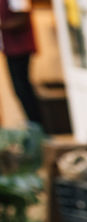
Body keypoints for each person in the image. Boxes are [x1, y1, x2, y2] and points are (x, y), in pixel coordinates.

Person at [0, 0, 41, 128]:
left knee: (22, 88)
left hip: (20, 49)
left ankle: (37, 124)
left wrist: (2, 26)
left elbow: (22, 19)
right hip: (11, 49)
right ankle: (33, 123)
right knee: (19, 88)